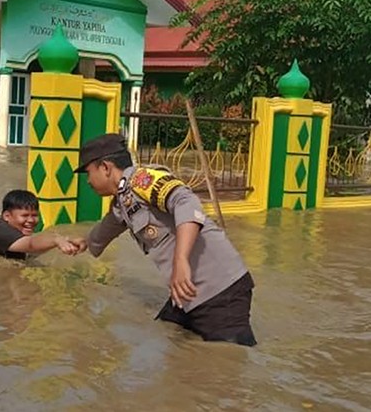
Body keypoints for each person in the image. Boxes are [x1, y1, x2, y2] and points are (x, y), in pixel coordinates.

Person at [72, 133, 257, 346]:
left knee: (229, 362)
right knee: (171, 345)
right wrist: (85, 242)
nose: (87, 181)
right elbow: (107, 228)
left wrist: (180, 261)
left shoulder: (143, 180)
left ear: (105, 167)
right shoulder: (122, 200)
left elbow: (187, 202)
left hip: (222, 291)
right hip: (186, 294)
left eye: (88, 173)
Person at [0, 190, 84, 260]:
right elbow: (31, 245)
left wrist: (67, 240)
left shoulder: (16, 232)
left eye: (34, 215)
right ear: (7, 216)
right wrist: (57, 240)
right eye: (24, 216)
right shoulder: (0, 230)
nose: (31, 220)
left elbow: (33, 247)